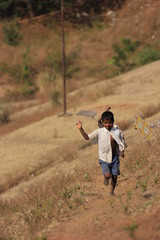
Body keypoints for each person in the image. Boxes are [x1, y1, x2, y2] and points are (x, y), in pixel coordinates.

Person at [76, 110, 125, 196]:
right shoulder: (99, 131)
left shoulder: (117, 131)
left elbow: (121, 142)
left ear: (113, 122)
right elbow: (87, 137)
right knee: (107, 175)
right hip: (104, 158)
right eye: (106, 123)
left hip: (114, 157)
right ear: (102, 122)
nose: (108, 125)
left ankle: (112, 191)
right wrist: (81, 129)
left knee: (114, 176)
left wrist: (122, 152)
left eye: (110, 123)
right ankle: (106, 178)